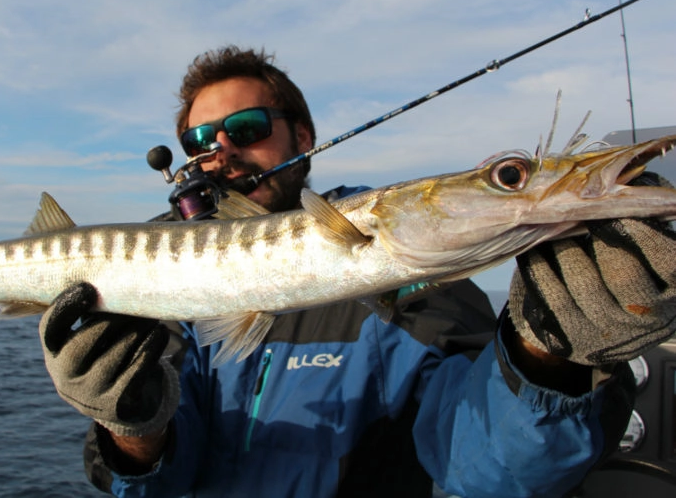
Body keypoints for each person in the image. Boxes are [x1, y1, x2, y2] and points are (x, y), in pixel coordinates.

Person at [39, 46, 676, 497]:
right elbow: (158, 483)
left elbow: (488, 472)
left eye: (248, 127)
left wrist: (546, 357)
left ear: (304, 135)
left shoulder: (416, 277)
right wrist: (131, 426)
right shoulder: (174, 293)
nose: (224, 151)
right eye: (203, 142)